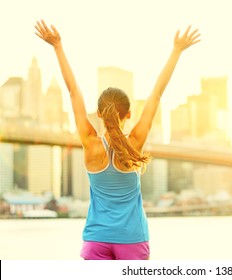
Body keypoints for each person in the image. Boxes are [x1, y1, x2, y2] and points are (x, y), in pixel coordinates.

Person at [35, 19, 200, 260]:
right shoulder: (135, 143)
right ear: (129, 114)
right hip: (132, 240)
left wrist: (57, 46)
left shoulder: (90, 142)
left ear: (98, 114)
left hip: (96, 240)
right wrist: (176, 51)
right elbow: (156, 94)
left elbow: (73, 92)